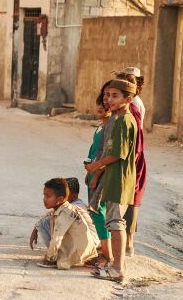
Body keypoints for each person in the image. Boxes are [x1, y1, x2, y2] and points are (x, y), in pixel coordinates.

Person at [86, 79, 138, 284]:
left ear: (128, 98)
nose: (109, 99)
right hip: (112, 176)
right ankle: (117, 266)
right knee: (112, 221)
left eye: (115, 96)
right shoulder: (116, 119)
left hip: (120, 177)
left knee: (116, 223)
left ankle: (118, 269)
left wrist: (95, 167)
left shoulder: (125, 120)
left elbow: (117, 154)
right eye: (108, 95)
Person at [115, 72, 147, 257]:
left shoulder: (132, 108)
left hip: (132, 160)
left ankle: (126, 244)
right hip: (132, 158)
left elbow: (135, 141)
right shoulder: (130, 106)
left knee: (129, 200)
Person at [34, 178, 99, 270]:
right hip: (89, 251)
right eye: (44, 196)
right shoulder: (67, 208)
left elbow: (57, 238)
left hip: (82, 252)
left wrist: (49, 257)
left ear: (60, 199)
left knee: (47, 224)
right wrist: (35, 228)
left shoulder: (65, 213)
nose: (44, 200)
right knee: (48, 220)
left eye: (48, 196)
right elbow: (50, 214)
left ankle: (54, 258)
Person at [85, 94, 113, 268]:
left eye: (105, 104)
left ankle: (107, 255)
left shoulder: (108, 129)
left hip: (100, 175)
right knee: (96, 212)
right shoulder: (99, 128)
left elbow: (105, 155)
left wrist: (95, 176)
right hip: (93, 172)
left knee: (98, 212)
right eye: (99, 104)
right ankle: (104, 250)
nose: (101, 107)